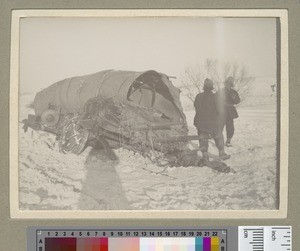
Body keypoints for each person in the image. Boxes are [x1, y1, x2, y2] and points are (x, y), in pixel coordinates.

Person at [194, 78, 230, 162]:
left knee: (203, 138)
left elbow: (196, 106)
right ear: (212, 87)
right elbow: (220, 111)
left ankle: (205, 156)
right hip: (213, 122)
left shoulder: (198, 96)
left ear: (204, 87)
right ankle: (221, 153)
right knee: (218, 136)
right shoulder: (216, 97)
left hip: (201, 122)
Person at [216, 76, 241, 147]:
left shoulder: (234, 92)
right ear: (225, 83)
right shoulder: (220, 91)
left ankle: (228, 141)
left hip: (230, 111)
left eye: (230, 83)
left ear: (231, 84)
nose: (229, 85)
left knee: (230, 127)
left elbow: (238, 101)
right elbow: (214, 100)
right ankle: (218, 141)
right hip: (222, 111)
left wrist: (234, 98)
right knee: (220, 127)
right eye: (227, 83)